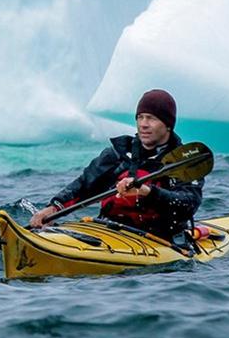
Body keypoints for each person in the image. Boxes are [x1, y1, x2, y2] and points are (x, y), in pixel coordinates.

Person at [27, 89, 203, 240]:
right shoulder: (118, 153)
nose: (143, 124)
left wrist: (147, 192)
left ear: (168, 125)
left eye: (151, 118)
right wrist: (53, 208)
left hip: (160, 237)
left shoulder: (183, 162)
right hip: (108, 231)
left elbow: (188, 204)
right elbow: (84, 186)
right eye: (140, 117)